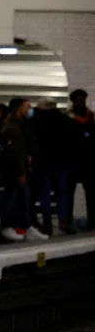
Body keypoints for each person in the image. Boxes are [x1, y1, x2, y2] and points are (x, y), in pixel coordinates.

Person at [0, 98, 47, 242]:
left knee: (24, 198)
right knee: (14, 197)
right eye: (26, 107)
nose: (29, 109)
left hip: (24, 167)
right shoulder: (12, 126)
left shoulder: (24, 124)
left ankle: (26, 226)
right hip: (14, 169)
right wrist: (20, 171)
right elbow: (16, 150)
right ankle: (9, 226)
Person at [33, 101, 73, 236]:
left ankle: (47, 223)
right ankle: (63, 222)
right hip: (62, 161)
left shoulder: (36, 121)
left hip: (44, 162)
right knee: (62, 192)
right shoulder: (65, 120)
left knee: (45, 192)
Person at [68, 89, 95, 230]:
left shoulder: (90, 116)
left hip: (88, 160)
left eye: (83, 99)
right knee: (69, 193)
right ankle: (67, 221)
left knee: (91, 193)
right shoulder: (68, 117)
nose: (81, 102)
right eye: (78, 99)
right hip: (73, 159)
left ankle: (92, 220)